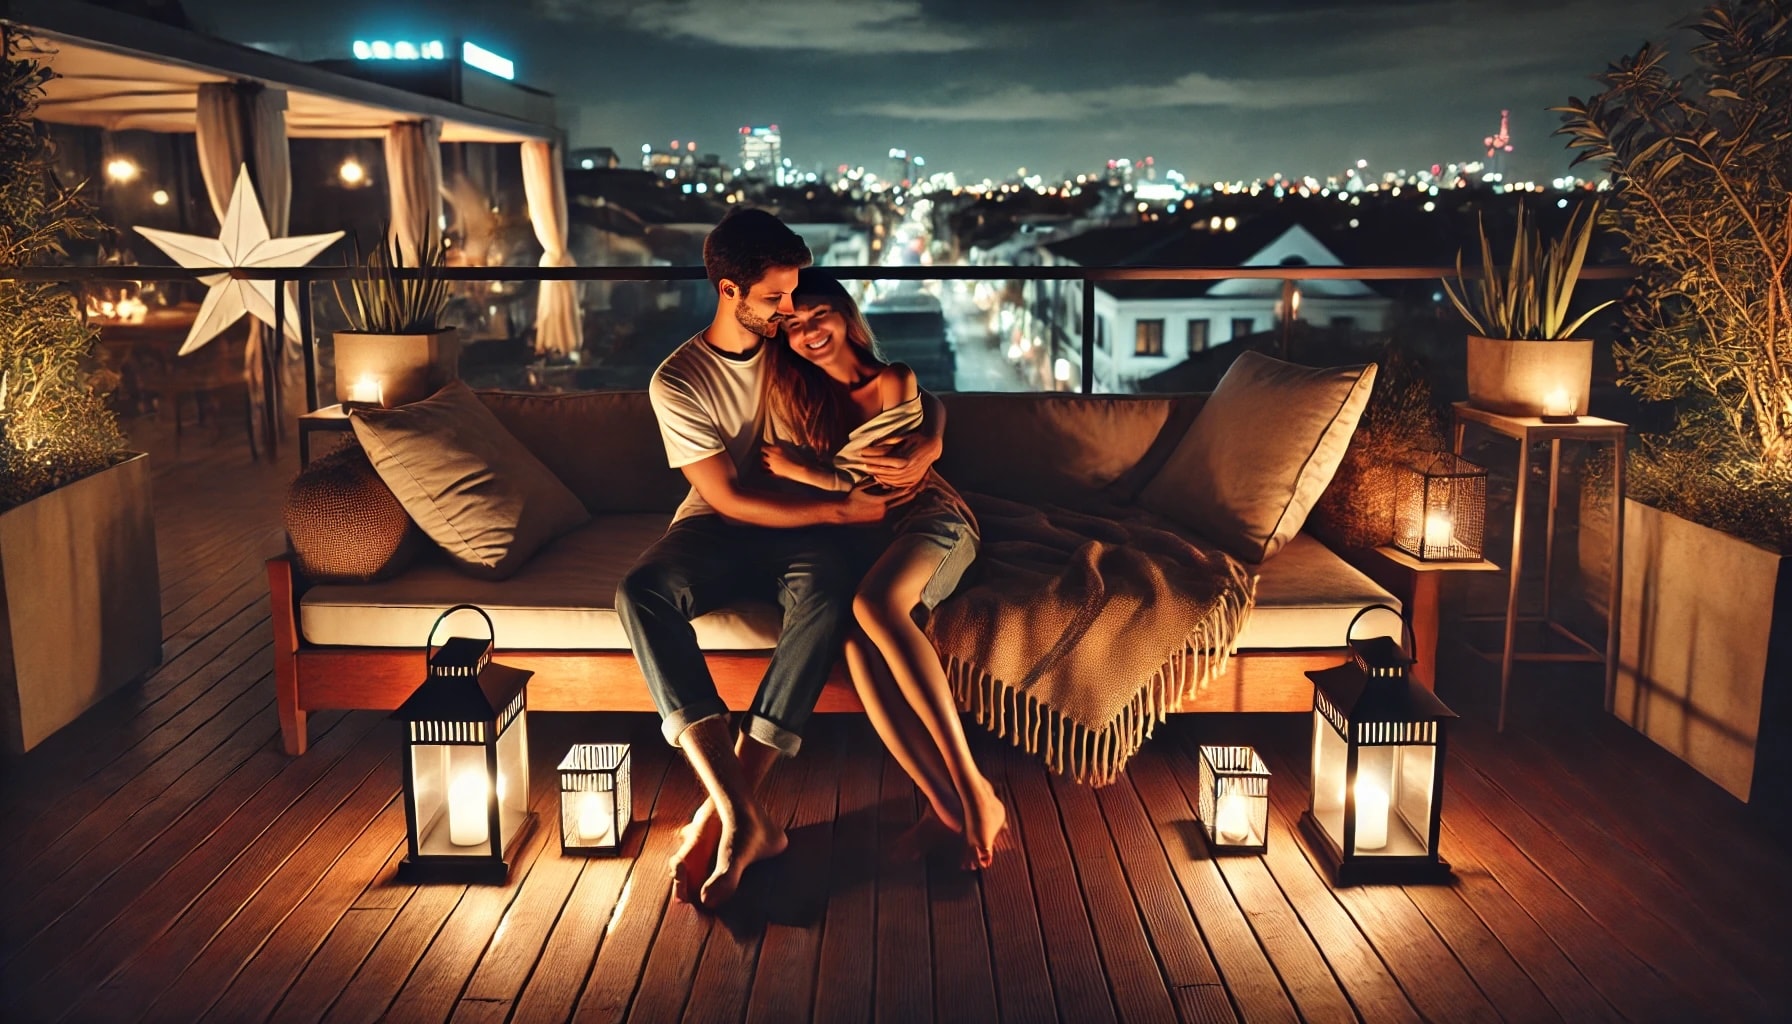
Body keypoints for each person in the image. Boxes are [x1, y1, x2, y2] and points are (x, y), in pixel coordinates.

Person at [615, 209, 946, 909]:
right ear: (729, 290)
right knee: (640, 591)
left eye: (795, 295)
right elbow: (729, 495)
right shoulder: (679, 381)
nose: (791, 311)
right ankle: (740, 813)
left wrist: (932, 440)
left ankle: (728, 812)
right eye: (775, 297)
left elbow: (893, 385)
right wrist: (837, 508)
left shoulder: (791, 342)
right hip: (722, 523)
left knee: (826, 599)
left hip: (809, 536)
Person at [759, 269, 1005, 869]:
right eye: (792, 324)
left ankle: (972, 783)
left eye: (818, 314)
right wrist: (932, 431)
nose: (809, 330)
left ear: (845, 315)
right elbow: (924, 418)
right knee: (851, 637)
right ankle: (947, 804)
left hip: (932, 521)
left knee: (874, 606)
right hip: (872, 539)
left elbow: (887, 479)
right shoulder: (799, 399)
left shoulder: (891, 378)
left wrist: (805, 471)